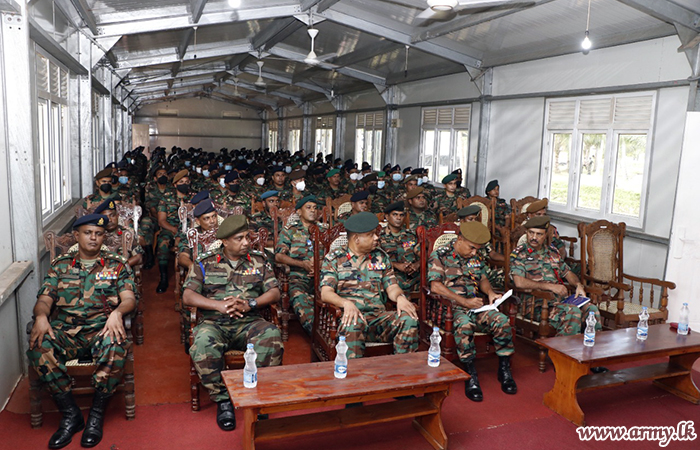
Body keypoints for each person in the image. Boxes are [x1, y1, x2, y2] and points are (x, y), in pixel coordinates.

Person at [27, 214, 136, 448]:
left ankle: (96, 414)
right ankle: (70, 414)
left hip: (101, 329)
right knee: (38, 345)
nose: (93, 238)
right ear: (77, 236)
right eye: (88, 233)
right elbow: (45, 299)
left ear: (103, 237)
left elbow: (129, 299)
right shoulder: (61, 265)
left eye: (98, 234)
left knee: (116, 345)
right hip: (66, 332)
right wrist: (41, 316)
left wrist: (117, 313)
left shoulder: (116, 264)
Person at [184, 215, 283, 431]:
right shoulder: (204, 263)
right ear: (225, 242)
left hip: (249, 321)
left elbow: (274, 292)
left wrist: (251, 303)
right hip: (215, 323)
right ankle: (223, 400)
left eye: (247, 237)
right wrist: (217, 305)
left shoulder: (259, 260)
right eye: (239, 238)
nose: (246, 242)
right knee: (202, 343)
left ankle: (258, 395)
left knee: (271, 335)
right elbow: (188, 296)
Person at [427, 221, 517, 402]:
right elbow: (435, 286)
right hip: (451, 308)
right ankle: (470, 373)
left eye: (477, 249)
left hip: (476, 306)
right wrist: (464, 302)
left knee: (502, 321)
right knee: (465, 325)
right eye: (471, 248)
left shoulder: (475, 256)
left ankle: (504, 369)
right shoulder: (440, 255)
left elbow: (482, 278)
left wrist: (490, 293)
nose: (474, 253)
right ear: (459, 239)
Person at [320, 212, 419, 358]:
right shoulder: (334, 259)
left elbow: (392, 287)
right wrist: (345, 303)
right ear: (356, 239)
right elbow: (326, 293)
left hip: (378, 318)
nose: (376, 238)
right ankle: (354, 372)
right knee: (353, 324)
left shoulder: (380, 257)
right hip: (351, 317)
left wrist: (400, 298)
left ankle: (404, 367)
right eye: (371, 235)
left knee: (408, 319)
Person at [510, 216, 602, 337]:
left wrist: (578, 285)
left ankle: (592, 346)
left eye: (539, 234)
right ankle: (564, 348)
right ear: (526, 233)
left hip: (559, 302)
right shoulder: (520, 253)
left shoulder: (552, 252)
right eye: (531, 233)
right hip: (536, 305)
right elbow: (519, 282)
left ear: (545, 235)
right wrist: (550, 287)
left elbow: (568, 273)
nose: (534, 237)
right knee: (573, 312)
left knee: (592, 310)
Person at [275, 195, 326, 335]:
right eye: (308, 207)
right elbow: (279, 256)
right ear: (299, 211)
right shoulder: (290, 230)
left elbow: (334, 255)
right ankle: (317, 333)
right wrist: (302, 264)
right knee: (298, 296)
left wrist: (319, 265)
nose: (313, 210)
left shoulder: (324, 231)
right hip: (297, 277)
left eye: (315, 208)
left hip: (323, 276)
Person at [155, 169, 193, 293]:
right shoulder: (166, 198)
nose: (184, 184)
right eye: (181, 182)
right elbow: (161, 221)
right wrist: (174, 230)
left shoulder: (193, 197)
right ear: (175, 185)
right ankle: (163, 278)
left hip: (189, 229)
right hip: (170, 228)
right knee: (163, 243)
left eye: (186, 182)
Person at [379, 202, 420, 293]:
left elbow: (422, 254)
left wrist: (417, 264)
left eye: (401, 215)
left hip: (413, 275)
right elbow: (377, 260)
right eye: (395, 215)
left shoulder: (411, 236)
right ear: (387, 216)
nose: (398, 218)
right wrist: (397, 265)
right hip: (392, 276)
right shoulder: (379, 237)